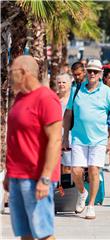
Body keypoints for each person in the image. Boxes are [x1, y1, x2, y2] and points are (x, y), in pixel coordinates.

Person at [4, 55, 62, 239]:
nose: (9, 76)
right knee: (25, 232)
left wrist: (45, 178)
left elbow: (55, 140)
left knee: (44, 233)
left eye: (11, 72)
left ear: (24, 72)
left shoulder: (46, 99)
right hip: (17, 175)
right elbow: (15, 138)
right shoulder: (20, 97)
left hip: (36, 177)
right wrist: (8, 174)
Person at [62, 59, 110, 219]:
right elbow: (68, 114)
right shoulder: (77, 89)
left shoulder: (107, 92)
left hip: (99, 139)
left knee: (94, 170)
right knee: (76, 171)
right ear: (86, 72)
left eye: (95, 71)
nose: (92, 74)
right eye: (90, 71)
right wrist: (65, 136)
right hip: (78, 138)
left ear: (100, 73)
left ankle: (91, 205)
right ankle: (82, 192)